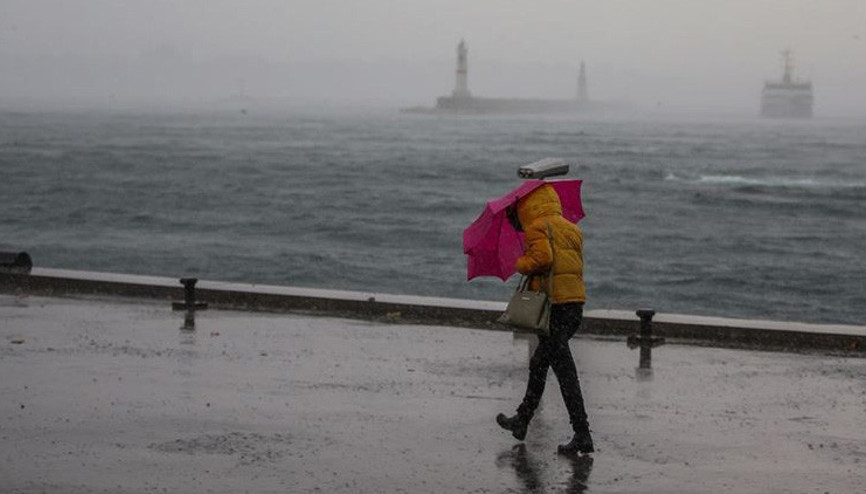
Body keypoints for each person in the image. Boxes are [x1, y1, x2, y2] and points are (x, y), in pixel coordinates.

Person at [497, 183, 594, 456]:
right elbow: (568, 265)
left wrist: (521, 263)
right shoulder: (571, 228)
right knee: (542, 364)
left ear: (528, 206)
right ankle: (523, 420)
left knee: (562, 371)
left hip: (554, 308)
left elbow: (542, 258)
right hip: (573, 305)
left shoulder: (538, 227)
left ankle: (582, 433)